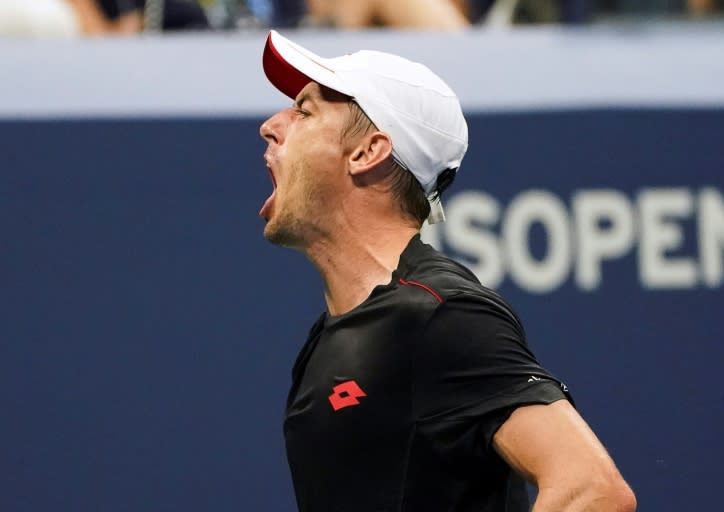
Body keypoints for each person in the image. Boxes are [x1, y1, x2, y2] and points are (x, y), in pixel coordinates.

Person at [258, 30, 637, 512]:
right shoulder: (328, 338)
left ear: (366, 152)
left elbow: (594, 491)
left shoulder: (441, 315)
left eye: (305, 111)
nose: (271, 125)